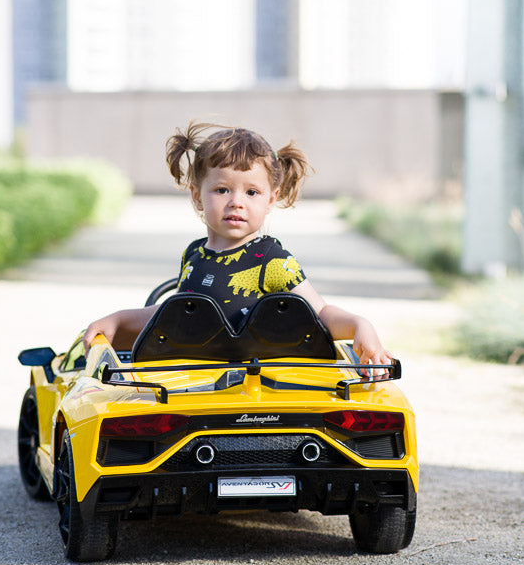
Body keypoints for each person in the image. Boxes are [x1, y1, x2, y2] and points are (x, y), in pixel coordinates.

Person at [83, 121, 392, 376]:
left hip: (256, 392)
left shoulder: (272, 260)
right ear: (197, 196)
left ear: (271, 200)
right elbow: (176, 315)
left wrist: (358, 325)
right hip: (189, 387)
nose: (236, 202)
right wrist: (119, 320)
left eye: (252, 192)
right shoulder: (194, 256)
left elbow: (320, 314)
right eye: (222, 189)